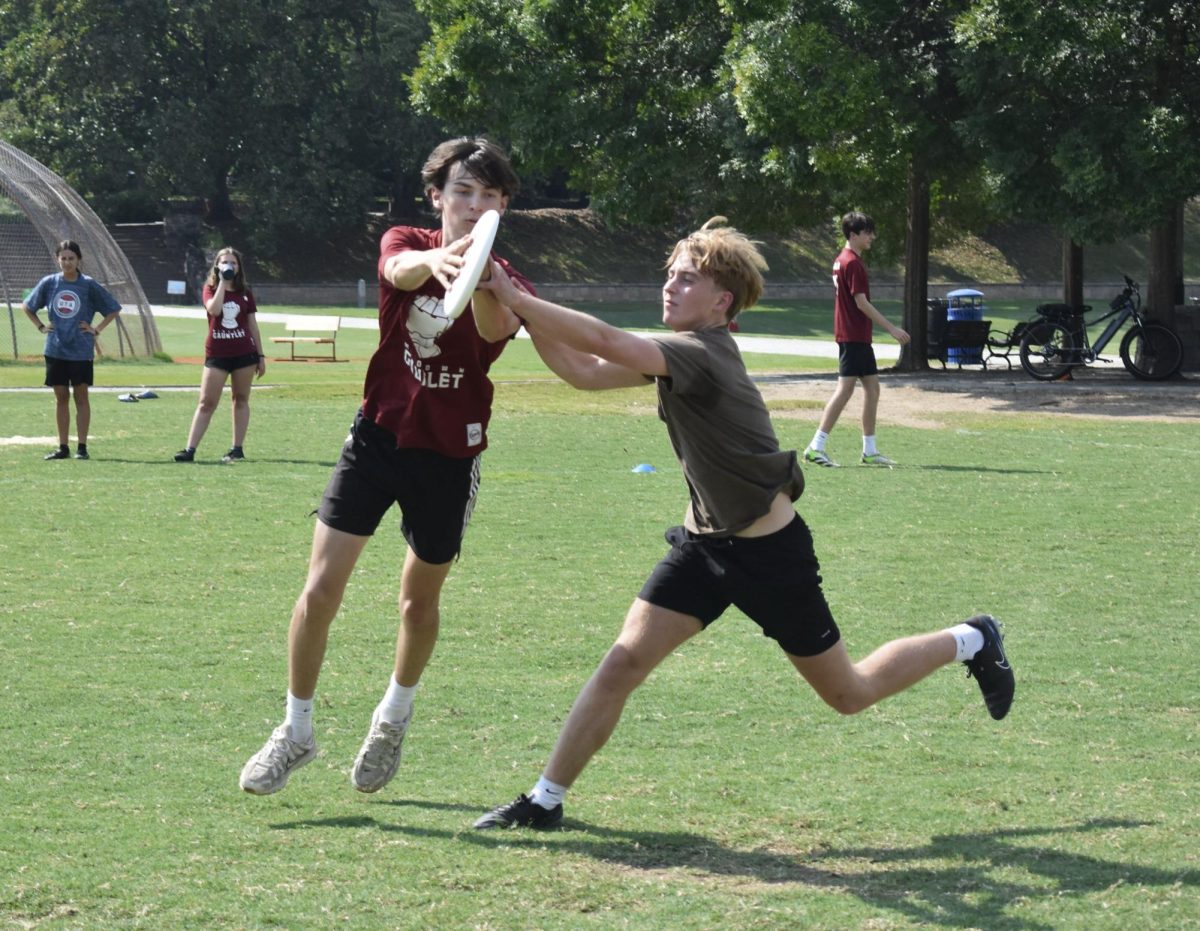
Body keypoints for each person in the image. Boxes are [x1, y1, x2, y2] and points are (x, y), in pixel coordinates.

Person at [471, 217, 1014, 830]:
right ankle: (545, 801)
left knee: (848, 694)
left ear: (721, 301)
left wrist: (519, 299)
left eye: (687, 279)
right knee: (622, 663)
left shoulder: (699, 353)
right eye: (669, 275)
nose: (670, 287)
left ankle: (971, 638)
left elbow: (607, 341)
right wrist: (519, 319)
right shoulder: (676, 354)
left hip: (768, 556)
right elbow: (586, 371)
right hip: (701, 549)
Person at [239, 137, 533, 796]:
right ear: (437, 196)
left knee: (417, 601)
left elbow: (489, 331)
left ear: (503, 207)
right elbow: (400, 272)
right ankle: (295, 731)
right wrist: (440, 258)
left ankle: (392, 716)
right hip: (376, 438)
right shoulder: (405, 238)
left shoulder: (508, 279)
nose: (474, 204)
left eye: (489, 196)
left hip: (450, 456)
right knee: (319, 590)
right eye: (463, 190)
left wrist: (485, 277)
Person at [803, 211, 911, 468]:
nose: (871, 237)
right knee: (845, 389)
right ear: (854, 235)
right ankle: (815, 447)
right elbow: (861, 303)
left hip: (856, 335)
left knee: (872, 389)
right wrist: (891, 329)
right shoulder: (852, 263)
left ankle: (869, 451)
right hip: (852, 335)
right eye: (867, 232)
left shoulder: (844, 260)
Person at [21, 240, 122, 460]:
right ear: (58, 259)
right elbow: (28, 306)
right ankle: (63, 447)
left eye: (71, 258)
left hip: (80, 350)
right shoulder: (50, 283)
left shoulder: (87, 284)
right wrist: (41, 326)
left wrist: (95, 330)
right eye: (63, 258)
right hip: (55, 349)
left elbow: (113, 308)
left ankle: (82, 447)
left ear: (79, 260)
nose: (67, 262)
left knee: (81, 397)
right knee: (60, 397)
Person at [174, 248, 266, 463]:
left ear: (239, 266)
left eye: (233, 263)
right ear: (217, 265)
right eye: (225, 262)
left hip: (244, 353)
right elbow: (214, 310)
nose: (229, 266)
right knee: (206, 402)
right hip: (217, 354)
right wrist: (223, 283)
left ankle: (237, 448)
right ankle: (190, 449)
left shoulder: (245, 292)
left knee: (240, 399)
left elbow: (252, 325)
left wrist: (260, 356)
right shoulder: (210, 288)